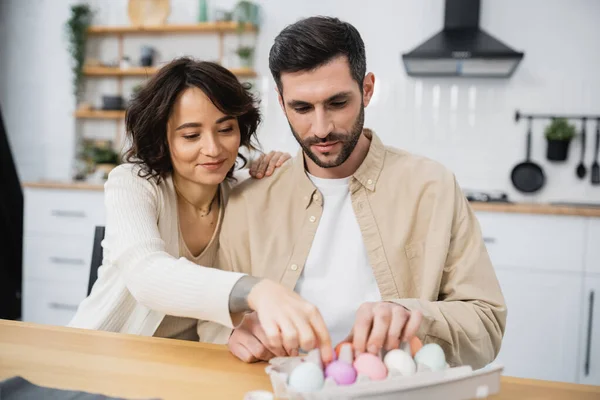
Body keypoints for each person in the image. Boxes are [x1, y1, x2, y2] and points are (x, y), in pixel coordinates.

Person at [216, 16, 506, 368]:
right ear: (281, 102)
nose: (321, 128)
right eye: (302, 108)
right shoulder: (250, 198)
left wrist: (411, 315)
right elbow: (211, 317)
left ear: (367, 89)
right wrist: (231, 334)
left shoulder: (433, 186)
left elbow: (487, 327)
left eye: (338, 103)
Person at [68, 57, 333, 361]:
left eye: (226, 129)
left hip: (185, 364)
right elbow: (146, 274)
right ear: (162, 139)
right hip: (101, 357)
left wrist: (279, 174)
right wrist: (256, 290)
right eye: (191, 135)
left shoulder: (242, 193)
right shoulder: (133, 183)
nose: (213, 148)